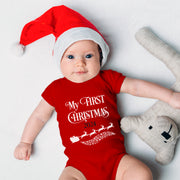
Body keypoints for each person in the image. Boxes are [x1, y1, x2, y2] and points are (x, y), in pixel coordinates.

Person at [14, 5, 180, 180]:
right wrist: (25, 141)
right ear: (59, 60)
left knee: (142, 174)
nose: (80, 63)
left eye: (88, 56)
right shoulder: (56, 88)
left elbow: (136, 87)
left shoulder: (106, 79)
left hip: (117, 161)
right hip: (78, 166)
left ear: (100, 57)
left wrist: (169, 96)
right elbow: (39, 116)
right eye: (70, 57)